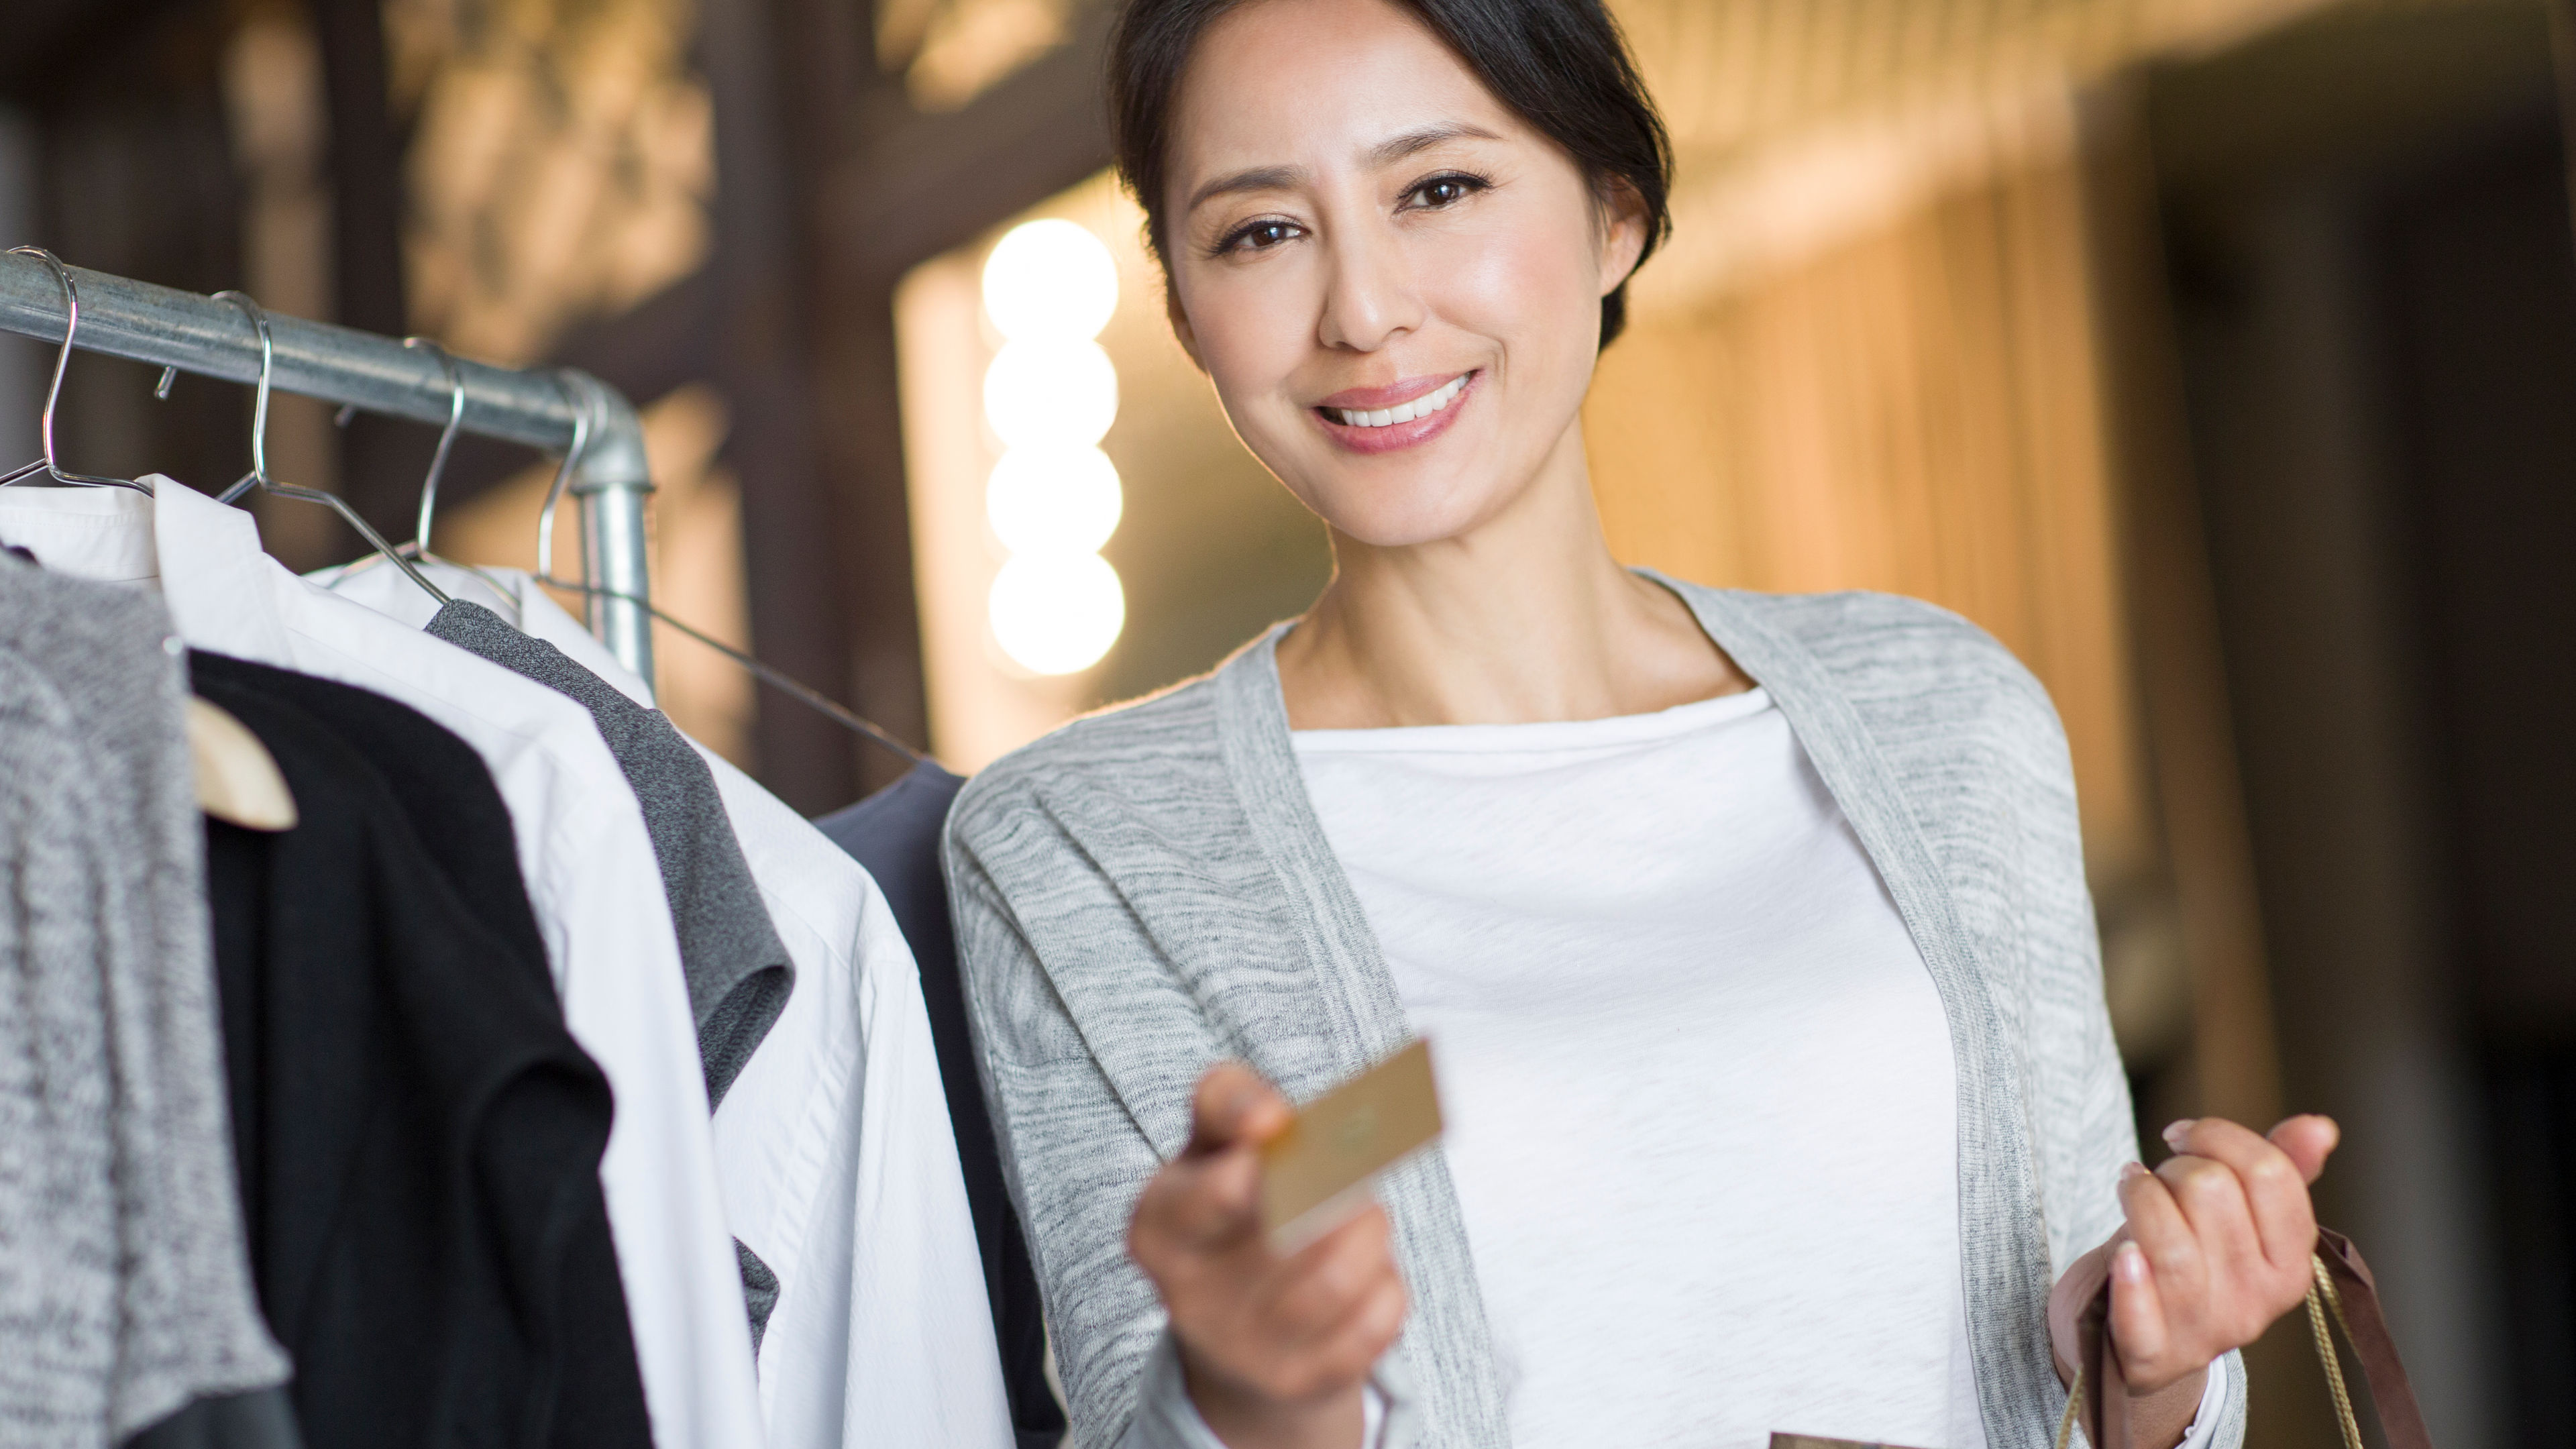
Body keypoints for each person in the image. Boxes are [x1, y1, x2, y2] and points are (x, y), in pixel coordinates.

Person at [943, 1, 2339, 1445]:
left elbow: (2101, 1374)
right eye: (1259, 233)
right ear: (1181, 305)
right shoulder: (1085, 845)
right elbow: (1139, 1413)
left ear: (1616, 213)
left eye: (1439, 188)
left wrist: (2158, 1367)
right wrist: (1251, 1387)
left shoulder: (1943, 712)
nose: (1361, 310)